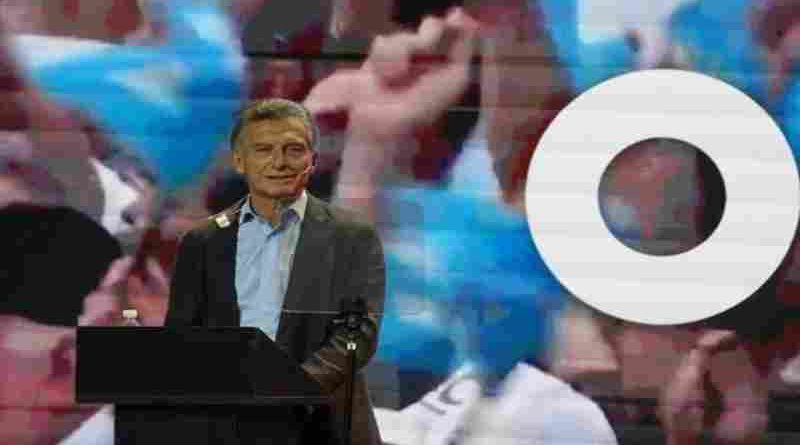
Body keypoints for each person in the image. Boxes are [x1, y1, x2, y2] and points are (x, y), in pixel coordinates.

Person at [165, 98, 386, 445]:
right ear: (240, 161)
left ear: (312, 160)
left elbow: (357, 336)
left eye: (293, 149)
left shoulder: (352, 237)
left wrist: (290, 394)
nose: (279, 162)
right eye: (264, 149)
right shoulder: (201, 242)